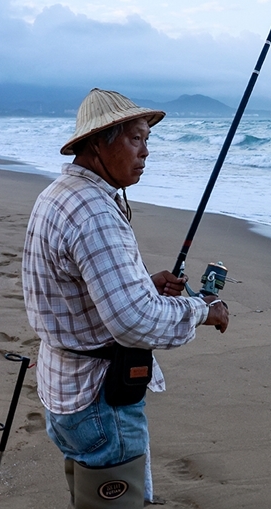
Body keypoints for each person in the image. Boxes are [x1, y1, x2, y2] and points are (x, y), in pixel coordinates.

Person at [23, 89, 229, 508]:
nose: (146, 152)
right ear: (100, 141)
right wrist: (202, 310)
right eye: (136, 139)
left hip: (63, 387)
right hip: (100, 398)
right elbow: (136, 321)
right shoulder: (95, 212)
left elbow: (70, 289)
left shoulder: (58, 195)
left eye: (147, 140)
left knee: (88, 498)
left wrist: (142, 283)